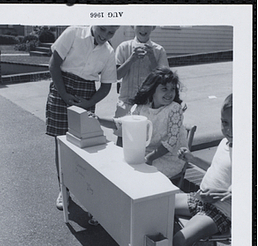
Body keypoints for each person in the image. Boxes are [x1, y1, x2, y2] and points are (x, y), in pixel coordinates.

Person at [46, 25, 119, 210]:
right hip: (62, 86)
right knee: (62, 143)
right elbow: (53, 64)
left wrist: (86, 104)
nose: (105, 35)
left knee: (82, 145)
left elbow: (106, 86)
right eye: (103, 29)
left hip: (86, 95)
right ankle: (63, 189)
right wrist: (63, 95)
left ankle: (84, 189)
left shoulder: (109, 52)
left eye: (111, 32)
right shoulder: (74, 32)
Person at [171, 94, 232, 246]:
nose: (229, 129)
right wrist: (192, 158)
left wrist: (225, 194)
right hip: (200, 198)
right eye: (225, 122)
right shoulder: (224, 143)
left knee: (180, 240)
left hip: (222, 211)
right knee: (158, 204)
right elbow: (213, 168)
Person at [95, 67, 188, 178]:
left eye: (172, 89)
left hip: (168, 158)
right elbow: (122, 123)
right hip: (146, 153)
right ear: (152, 90)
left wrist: (148, 158)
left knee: (137, 175)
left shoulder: (174, 109)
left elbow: (171, 143)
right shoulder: (142, 107)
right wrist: (98, 120)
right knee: (118, 169)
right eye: (164, 89)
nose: (169, 93)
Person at [114, 26, 169, 146]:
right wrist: (131, 59)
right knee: (121, 142)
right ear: (133, 26)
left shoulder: (159, 50)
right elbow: (117, 75)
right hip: (126, 103)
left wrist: (152, 59)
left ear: (153, 27)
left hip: (148, 105)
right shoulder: (124, 47)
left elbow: (164, 81)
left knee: (144, 141)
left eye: (147, 25)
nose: (143, 28)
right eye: (139, 25)